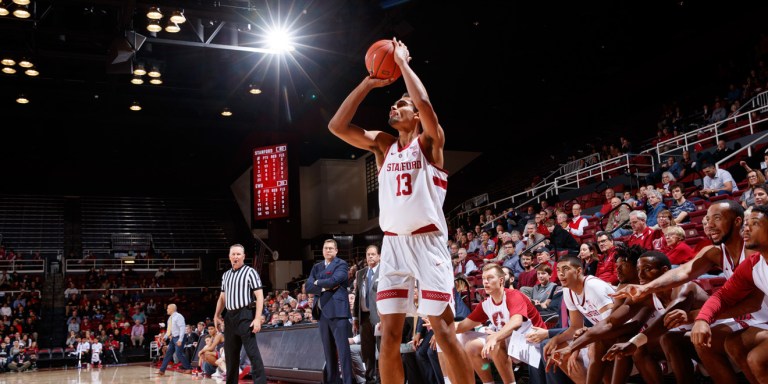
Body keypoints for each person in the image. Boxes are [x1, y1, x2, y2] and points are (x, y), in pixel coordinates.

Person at [327, 37, 472, 384]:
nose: (394, 107)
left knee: (443, 331)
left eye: (401, 104)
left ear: (416, 117)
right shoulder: (383, 145)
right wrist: (369, 81)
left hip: (427, 243)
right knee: (387, 336)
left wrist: (403, 64)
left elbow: (424, 104)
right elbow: (337, 126)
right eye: (392, 104)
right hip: (393, 245)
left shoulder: (429, 142)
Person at [612, 200, 768, 384]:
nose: (709, 225)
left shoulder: (754, 253)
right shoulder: (716, 253)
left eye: (717, 219)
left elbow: (752, 302)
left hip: (758, 317)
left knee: (745, 352)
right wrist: (645, 288)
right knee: (703, 341)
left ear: (737, 222)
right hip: (747, 318)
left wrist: (696, 316)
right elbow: (685, 271)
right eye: (707, 219)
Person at [692, 205, 768, 383]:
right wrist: (702, 319)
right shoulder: (753, 264)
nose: (746, 229)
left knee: (757, 358)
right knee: (734, 344)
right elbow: (722, 296)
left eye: (754, 223)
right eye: (746, 224)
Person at [213, 244, 267, 384]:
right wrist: (216, 315)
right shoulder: (226, 275)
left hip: (245, 315)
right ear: (229, 256)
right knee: (230, 356)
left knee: (252, 353)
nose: (235, 257)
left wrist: (257, 318)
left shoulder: (250, 272)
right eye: (233, 254)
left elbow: (260, 296)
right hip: (230, 317)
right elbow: (222, 298)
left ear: (243, 256)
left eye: (238, 254)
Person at [305, 239, 354, 384]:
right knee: (328, 351)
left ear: (336, 251)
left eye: (331, 248)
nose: (328, 251)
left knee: (343, 351)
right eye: (326, 248)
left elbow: (335, 280)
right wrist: (324, 286)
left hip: (338, 312)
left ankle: (347, 381)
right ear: (322, 250)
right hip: (322, 312)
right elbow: (308, 287)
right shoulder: (316, 266)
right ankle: (333, 381)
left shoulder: (341, 264)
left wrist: (317, 283)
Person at [352, 244, 381, 384]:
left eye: (373, 254)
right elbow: (357, 296)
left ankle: (383, 379)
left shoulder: (384, 271)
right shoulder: (361, 273)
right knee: (367, 351)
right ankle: (370, 380)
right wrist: (355, 318)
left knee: (382, 349)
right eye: (368, 254)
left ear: (379, 256)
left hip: (380, 317)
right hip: (363, 317)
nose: (370, 256)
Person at [156, 303, 192, 375]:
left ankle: (189, 368)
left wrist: (180, 339)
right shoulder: (170, 318)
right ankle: (162, 370)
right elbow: (169, 330)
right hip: (173, 337)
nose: (167, 310)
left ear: (172, 309)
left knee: (179, 353)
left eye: (168, 308)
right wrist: (165, 337)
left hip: (179, 337)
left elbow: (182, 328)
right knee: (168, 354)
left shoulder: (179, 316)